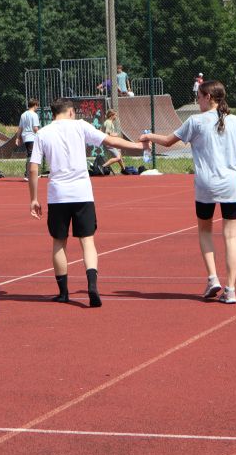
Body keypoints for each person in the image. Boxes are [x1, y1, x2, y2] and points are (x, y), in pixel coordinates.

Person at [140, 80, 236, 304]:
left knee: (205, 231)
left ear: (208, 97)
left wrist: (148, 137)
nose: (197, 101)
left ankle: (212, 278)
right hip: (231, 185)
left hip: (206, 185)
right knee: (231, 237)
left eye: (199, 97)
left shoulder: (195, 121)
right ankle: (231, 289)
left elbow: (167, 142)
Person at [28, 98, 149, 308]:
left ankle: (63, 292)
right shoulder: (81, 126)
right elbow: (110, 141)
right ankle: (92, 285)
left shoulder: (43, 133)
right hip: (82, 193)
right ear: (70, 112)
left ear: (53, 113)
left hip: (58, 195)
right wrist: (138, 146)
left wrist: (34, 199)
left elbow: (33, 168)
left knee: (59, 242)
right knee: (88, 241)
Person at [15, 98, 41, 180]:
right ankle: (28, 174)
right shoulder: (34, 115)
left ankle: (33, 173)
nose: (37, 108)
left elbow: (20, 128)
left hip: (25, 137)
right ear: (35, 105)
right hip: (32, 137)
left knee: (31, 154)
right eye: (37, 106)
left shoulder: (23, 115)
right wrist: (41, 135)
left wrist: (17, 138)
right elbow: (35, 128)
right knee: (31, 155)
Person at [101, 110, 126, 174]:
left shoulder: (108, 122)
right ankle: (103, 166)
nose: (116, 117)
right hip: (109, 143)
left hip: (109, 142)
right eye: (115, 115)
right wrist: (115, 134)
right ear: (111, 115)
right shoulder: (109, 122)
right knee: (118, 157)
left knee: (119, 155)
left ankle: (124, 169)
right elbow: (107, 133)